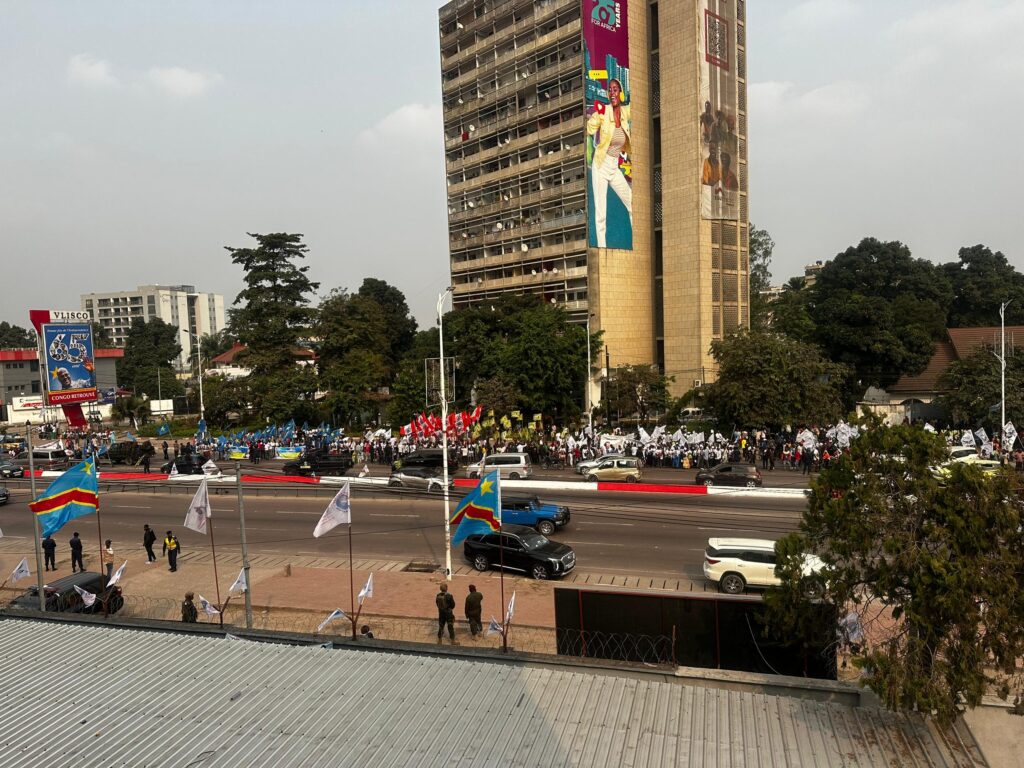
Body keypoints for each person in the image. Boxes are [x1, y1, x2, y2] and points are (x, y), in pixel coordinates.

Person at [586, 77, 632, 248]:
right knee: (601, 213)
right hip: (601, 164)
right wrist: (594, 114)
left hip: (614, 166)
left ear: (620, 93)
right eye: (610, 90)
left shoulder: (625, 113)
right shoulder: (603, 112)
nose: (612, 93)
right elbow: (590, 128)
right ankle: (602, 249)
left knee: (632, 203)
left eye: (615, 89)